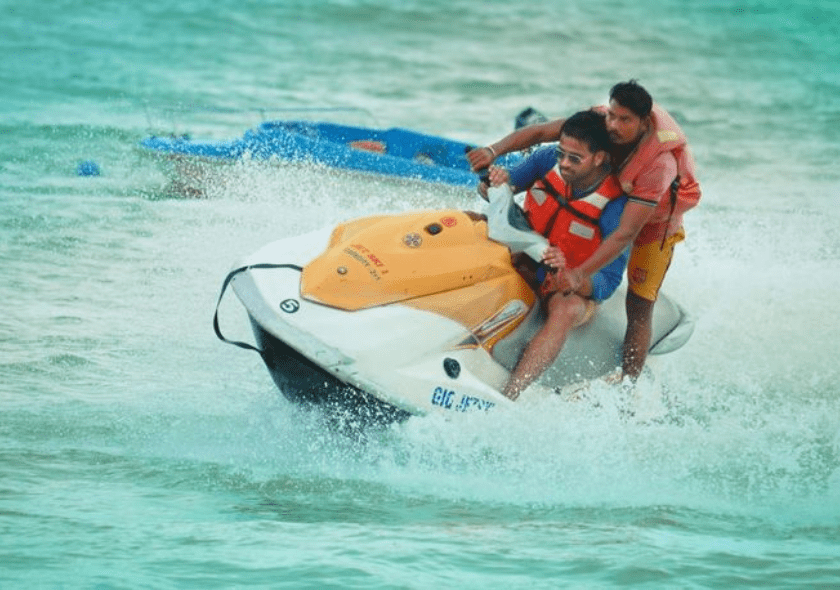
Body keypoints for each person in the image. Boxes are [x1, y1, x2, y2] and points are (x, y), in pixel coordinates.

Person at [468, 80, 700, 381]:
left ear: (643, 123)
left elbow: (625, 234)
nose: (614, 124)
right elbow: (540, 133)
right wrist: (493, 153)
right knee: (476, 225)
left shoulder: (657, 165)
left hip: (655, 224)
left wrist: (579, 275)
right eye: (612, 115)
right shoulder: (593, 131)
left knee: (640, 303)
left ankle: (629, 385)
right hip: (601, 219)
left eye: (624, 120)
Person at [485, 110, 629, 400]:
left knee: (566, 310)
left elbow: (609, 282)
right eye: (562, 153)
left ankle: (510, 395)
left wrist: (572, 277)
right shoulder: (546, 158)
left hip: (564, 285)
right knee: (470, 225)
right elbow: (495, 192)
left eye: (574, 158)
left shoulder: (616, 205)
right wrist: (494, 182)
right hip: (524, 255)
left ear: (599, 157)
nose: (563, 163)